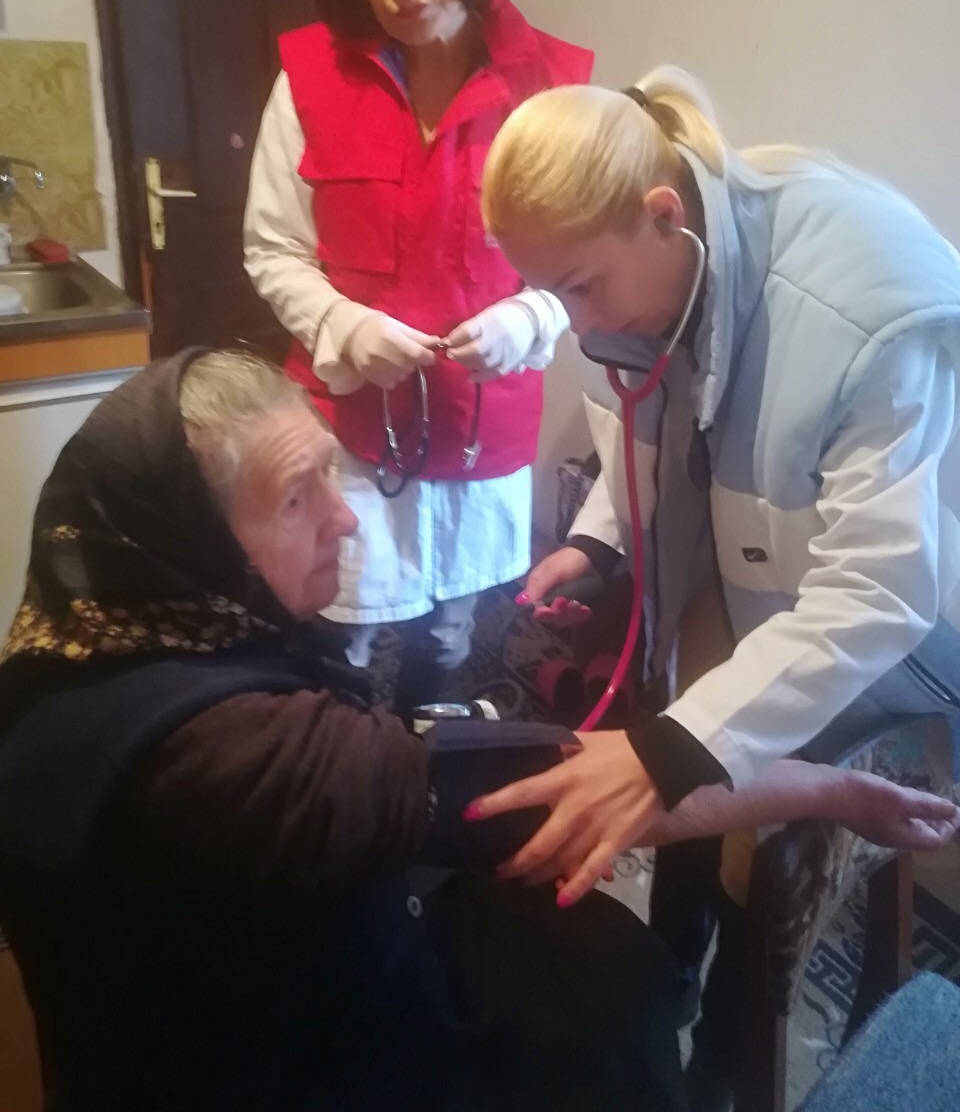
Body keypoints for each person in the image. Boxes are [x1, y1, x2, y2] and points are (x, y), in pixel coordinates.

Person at [1, 349, 953, 1112]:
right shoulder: (234, 758)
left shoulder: (86, 646)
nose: (344, 521)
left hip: (185, 1011)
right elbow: (598, 783)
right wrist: (834, 789)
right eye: (295, 498)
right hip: (274, 1066)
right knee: (604, 1002)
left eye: (331, 473)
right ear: (189, 540)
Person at [469, 68, 960, 1105]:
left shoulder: (864, 306)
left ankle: (733, 1053)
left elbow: (877, 590)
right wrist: (602, 542)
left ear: (663, 216)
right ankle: (671, 977)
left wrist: (678, 749)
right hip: (750, 583)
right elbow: (647, 426)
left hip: (891, 632)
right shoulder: (656, 264)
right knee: (673, 745)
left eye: (578, 287)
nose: (573, 322)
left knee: (725, 809)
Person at [244, 0, 593, 716]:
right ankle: (344, 770)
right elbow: (273, 248)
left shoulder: (551, 86)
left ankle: (427, 764)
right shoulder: (309, 81)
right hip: (352, 429)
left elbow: (587, 258)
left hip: (483, 427)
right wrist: (343, 325)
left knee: (452, 634)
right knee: (344, 629)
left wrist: (531, 318)